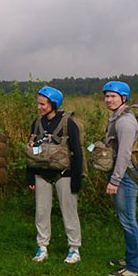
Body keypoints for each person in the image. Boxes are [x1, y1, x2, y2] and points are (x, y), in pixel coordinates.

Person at [27, 87, 84, 264]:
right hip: (41, 174)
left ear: (53, 104)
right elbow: (32, 151)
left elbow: (77, 152)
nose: (39, 107)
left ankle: (74, 248)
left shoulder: (69, 123)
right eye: (38, 103)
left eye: (43, 104)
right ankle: (42, 246)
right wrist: (30, 176)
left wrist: (76, 179)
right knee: (42, 212)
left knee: (69, 211)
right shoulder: (36, 124)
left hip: (64, 174)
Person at [102, 80, 138, 276]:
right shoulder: (117, 117)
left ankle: (134, 268)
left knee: (129, 221)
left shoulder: (125, 122)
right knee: (126, 219)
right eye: (107, 96)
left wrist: (115, 180)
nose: (108, 100)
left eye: (113, 96)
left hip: (126, 176)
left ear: (123, 99)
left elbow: (125, 155)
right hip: (122, 175)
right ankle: (130, 257)